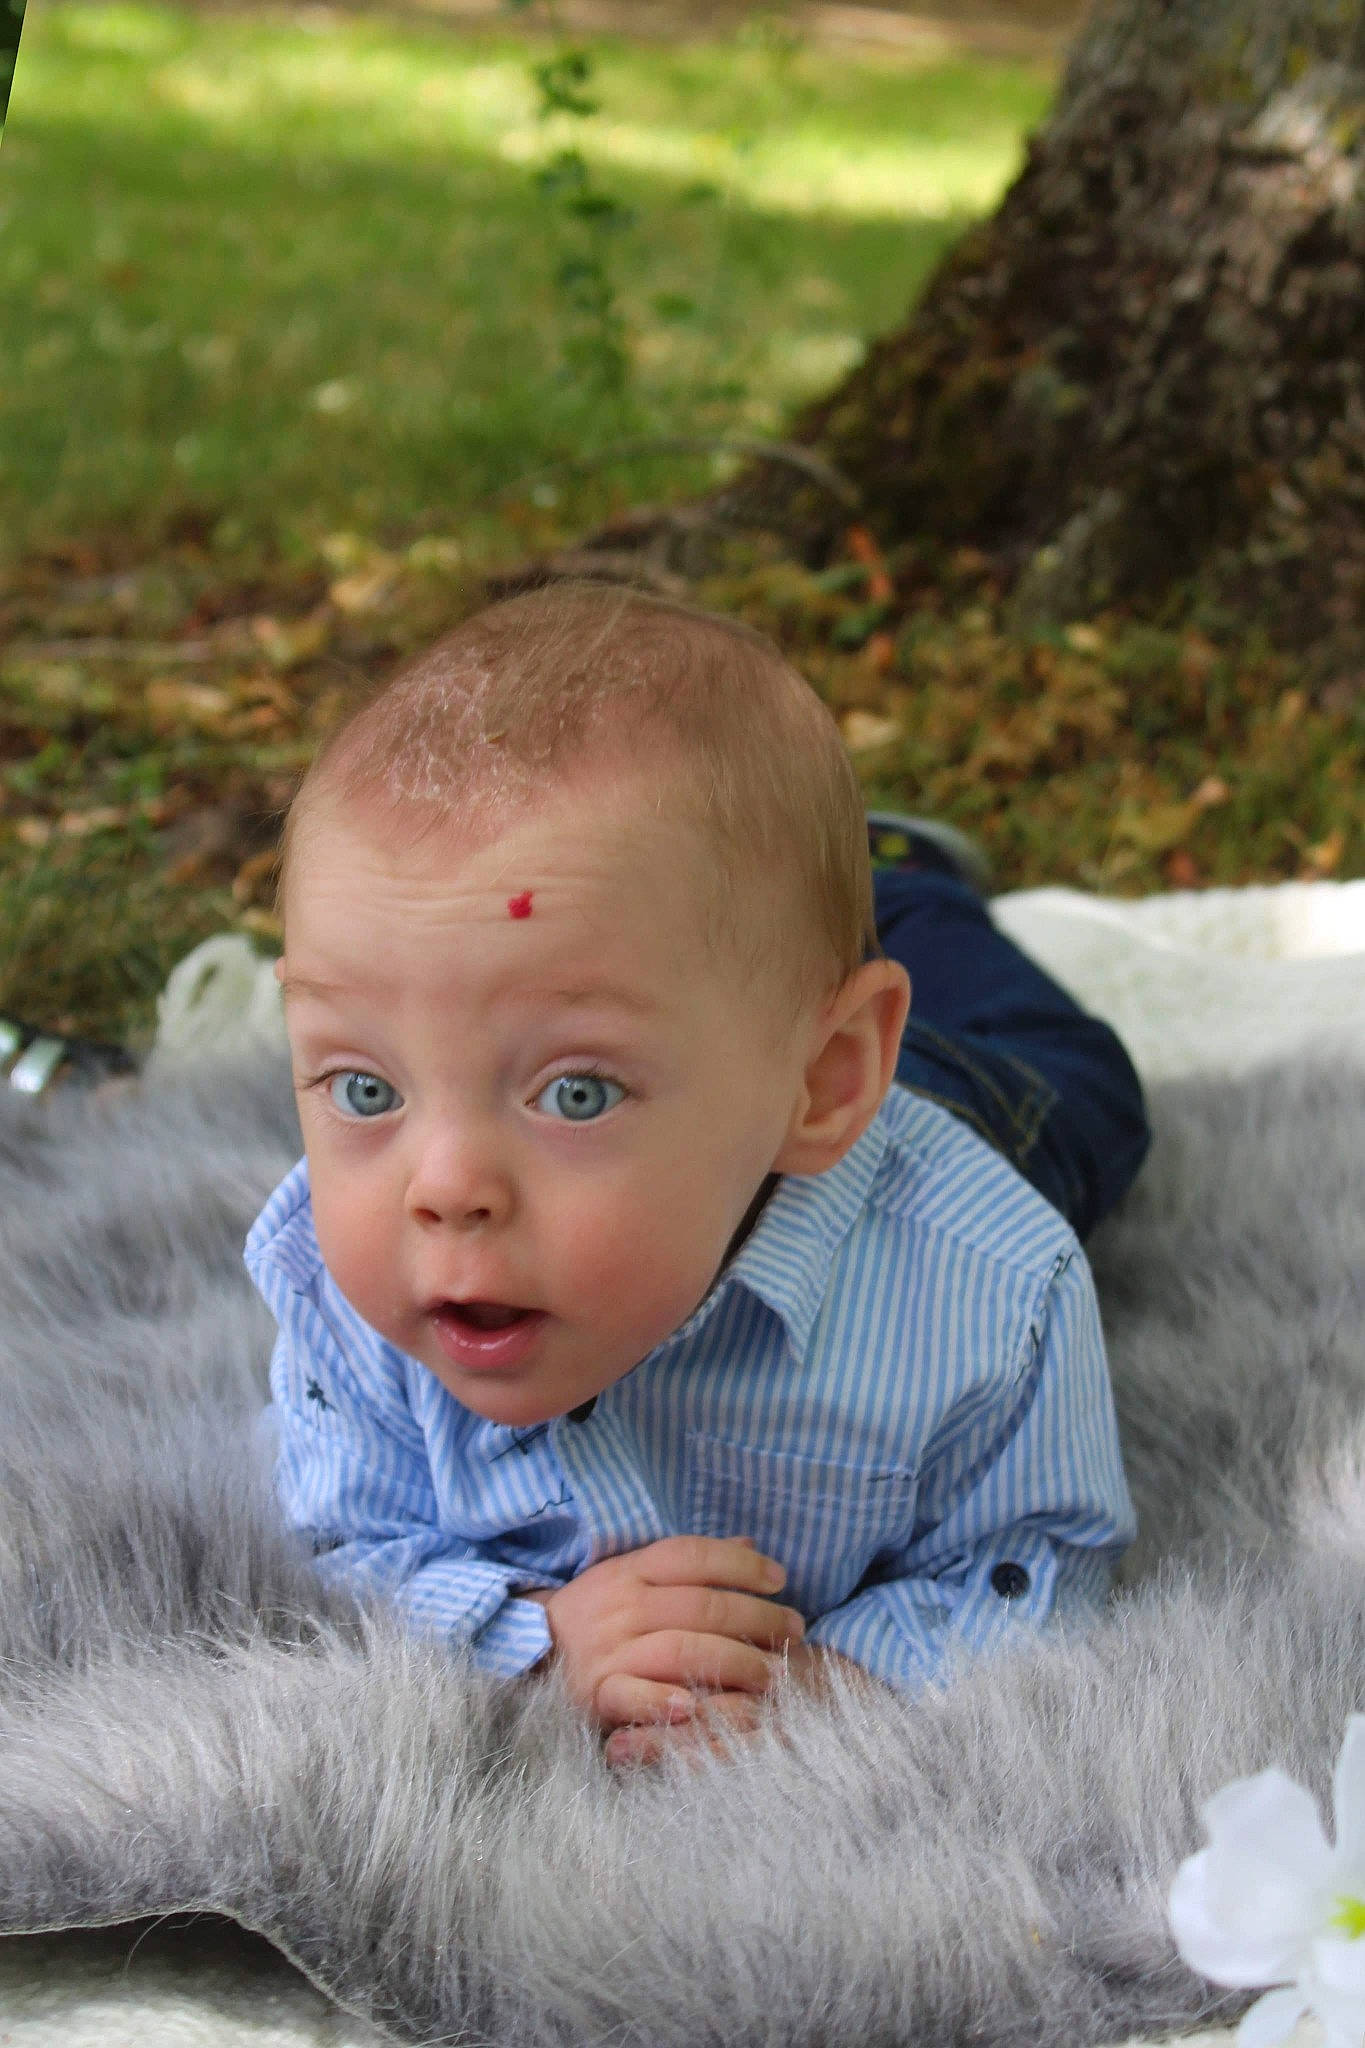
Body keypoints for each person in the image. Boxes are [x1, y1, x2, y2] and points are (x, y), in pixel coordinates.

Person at [246, 581, 1148, 1767]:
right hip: (744, 1043)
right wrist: (533, 1634)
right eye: (366, 1087)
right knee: (752, 940)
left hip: (963, 1097)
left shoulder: (986, 1282)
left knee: (1089, 1082)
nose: (444, 1188)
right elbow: (338, 1540)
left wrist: (854, 1675)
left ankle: (906, 879)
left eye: (575, 1091)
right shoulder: (334, 1279)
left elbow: (1041, 1547)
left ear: (823, 1079)